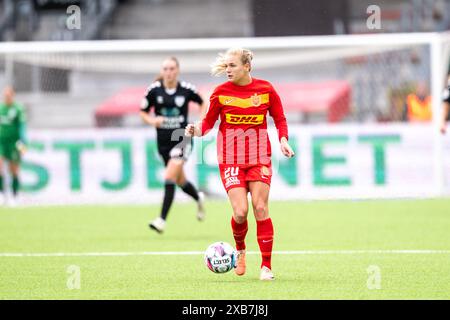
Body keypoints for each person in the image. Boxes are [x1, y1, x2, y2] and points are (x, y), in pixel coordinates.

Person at [185, 48, 295, 281]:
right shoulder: (221, 93)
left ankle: (266, 267)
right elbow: (208, 123)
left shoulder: (265, 89)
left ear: (247, 66)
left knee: (261, 207)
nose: (228, 70)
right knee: (241, 211)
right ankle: (241, 251)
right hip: (231, 159)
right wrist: (195, 130)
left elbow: (280, 118)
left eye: (232, 65)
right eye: (226, 66)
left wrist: (283, 140)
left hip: (260, 157)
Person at [140, 57, 207, 233]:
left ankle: (161, 220)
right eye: (165, 69)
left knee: (169, 177)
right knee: (180, 180)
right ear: (162, 71)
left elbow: (203, 102)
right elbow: (143, 111)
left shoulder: (186, 89)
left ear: (177, 70)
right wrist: (152, 120)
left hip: (182, 138)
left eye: (171, 69)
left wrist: (200, 122)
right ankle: (198, 197)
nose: (168, 72)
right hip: (163, 141)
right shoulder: (154, 90)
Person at [0, 86, 27, 206]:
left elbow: (22, 128)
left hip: (15, 143)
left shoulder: (18, 109)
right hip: (1, 142)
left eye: (8, 95)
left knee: (14, 170)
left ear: (13, 95)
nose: (6, 97)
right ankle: (1, 195)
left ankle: (15, 195)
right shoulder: (1, 108)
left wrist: (23, 145)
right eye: (5, 95)